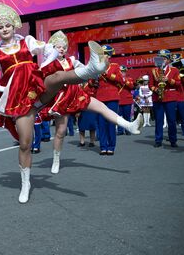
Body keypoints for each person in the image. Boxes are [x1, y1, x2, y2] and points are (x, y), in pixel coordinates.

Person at [0, 4, 109, 203]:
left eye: (7, 25)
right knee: (25, 143)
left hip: (37, 88)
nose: (4, 29)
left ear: (14, 26)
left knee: (56, 76)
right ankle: (25, 184)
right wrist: (3, 90)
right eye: (0, 27)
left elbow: (52, 51)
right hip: (20, 102)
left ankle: (91, 70)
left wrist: (42, 65)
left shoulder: (28, 42)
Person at [38, 31, 143, 174]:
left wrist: (96, 67)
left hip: (76, 94)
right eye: (58, 47)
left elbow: (85, 70)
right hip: (60, 98)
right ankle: (56, 159)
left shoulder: (72, 60)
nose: (61, 49)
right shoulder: (49, 63)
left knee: (102, 108)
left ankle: (129, 125)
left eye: (63, 47)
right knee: (60, 132)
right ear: (52, 48)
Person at [148, 50, 181, 147]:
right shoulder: (153, 70)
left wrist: (169, 80)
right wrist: (156, 89)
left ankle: (173, 140)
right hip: (157, 97)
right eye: (160, 58)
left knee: (171, 120)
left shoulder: (174, 70)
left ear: (168, 60)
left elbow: (178, 83)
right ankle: (158, 140)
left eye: (164, 58)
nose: (162, 60)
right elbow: (150, 85)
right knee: (159, 120)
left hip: (170, 98)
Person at [78, 80, 98, 147]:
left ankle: (92, 142)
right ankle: (82, 141)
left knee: (92, 125)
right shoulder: (80, 84)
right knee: (81, 125)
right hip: (82, 106)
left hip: (92, 106)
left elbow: (95, 94)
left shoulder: (93, 83)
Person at [117, 66, 135, 135]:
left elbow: (131, 86)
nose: (122, 73)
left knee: (127, 116)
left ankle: (128, 129)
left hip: (127, 100)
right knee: (119, 117)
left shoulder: (129, 79)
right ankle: (120, 130)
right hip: (119, 100)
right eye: (121, 71)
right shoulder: (117, 80)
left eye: (123, 71)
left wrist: (124, 80)